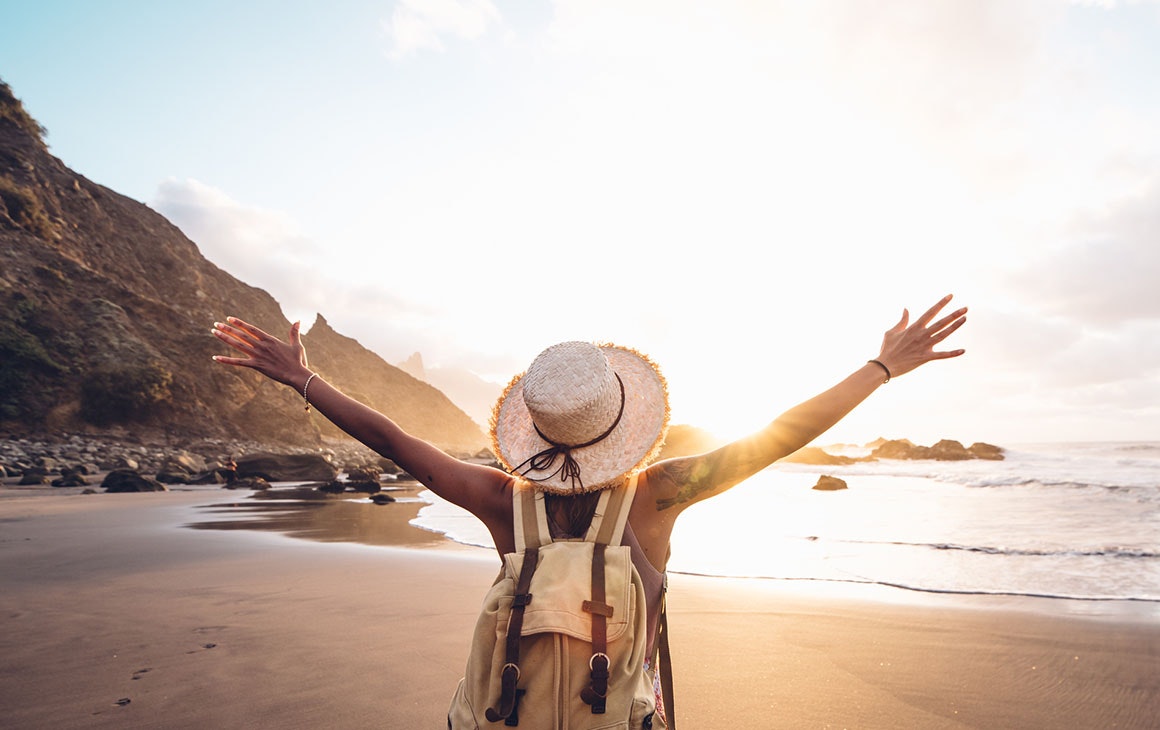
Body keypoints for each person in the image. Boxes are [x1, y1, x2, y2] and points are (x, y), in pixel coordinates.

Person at [211, 294, 967, 726]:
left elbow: (397, 441)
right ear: (624, 420)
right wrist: (881, 369)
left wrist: (304, 382)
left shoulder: (502, 500)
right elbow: (778, 437)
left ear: (536, 429)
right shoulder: (659, 494)